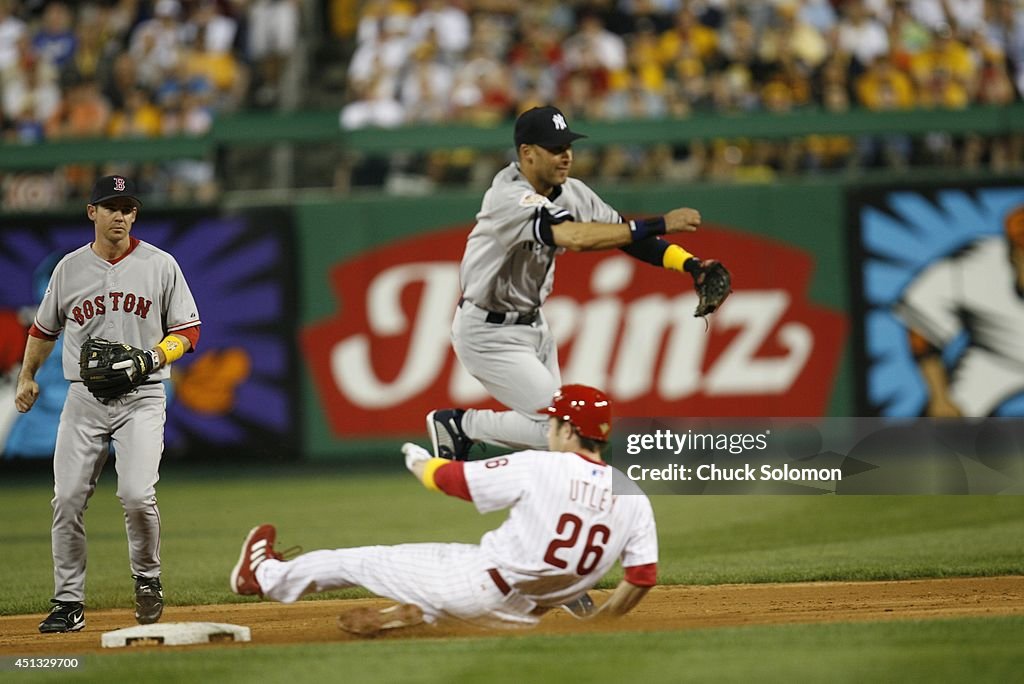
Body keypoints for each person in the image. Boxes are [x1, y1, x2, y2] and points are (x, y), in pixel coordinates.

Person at [230, 384, 658, 636]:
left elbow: (454, 482)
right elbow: (642, 577)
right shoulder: (632, 492)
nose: (547, 429)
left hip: (478, 585)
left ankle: (263, 576)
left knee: (360, 560)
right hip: (523, 617)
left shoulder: (542, 465)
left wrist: (418, 460)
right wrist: (605, 621)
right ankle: (411, 615)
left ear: (568, 429)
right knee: (446, 575)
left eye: (551, 423)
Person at [426, 105, 716, 461]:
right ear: (527, 154)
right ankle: (462, 426)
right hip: (487, 332)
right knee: (564, 427)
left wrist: (688, 264)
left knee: (558, 445)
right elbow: (575, 236)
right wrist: (660, 222)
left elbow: (625, 236)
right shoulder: (507, 196)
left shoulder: (572, 192)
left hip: (534, 324)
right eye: (555, 148)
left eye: (568, 146)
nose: (566, 156)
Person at [15, 175, 201, 633]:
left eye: (127, 207)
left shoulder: (160, 265)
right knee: (67, 500)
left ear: (135, 214)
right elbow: (43, 330)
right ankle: (68, 602)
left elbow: (189, 331)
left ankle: (148, 578)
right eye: (110, 206)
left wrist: (155, 355)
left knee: (137, 495)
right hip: (85, 400)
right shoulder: (69, 269)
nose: (119, 215)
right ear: (91, 212)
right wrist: (27, 375)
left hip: (143, 396)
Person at [894, 204, 1024, 416]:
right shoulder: (975, 265)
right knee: (940, 432)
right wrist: (940, 397)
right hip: (995, 360)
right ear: (1011, 253)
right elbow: (922, 332)